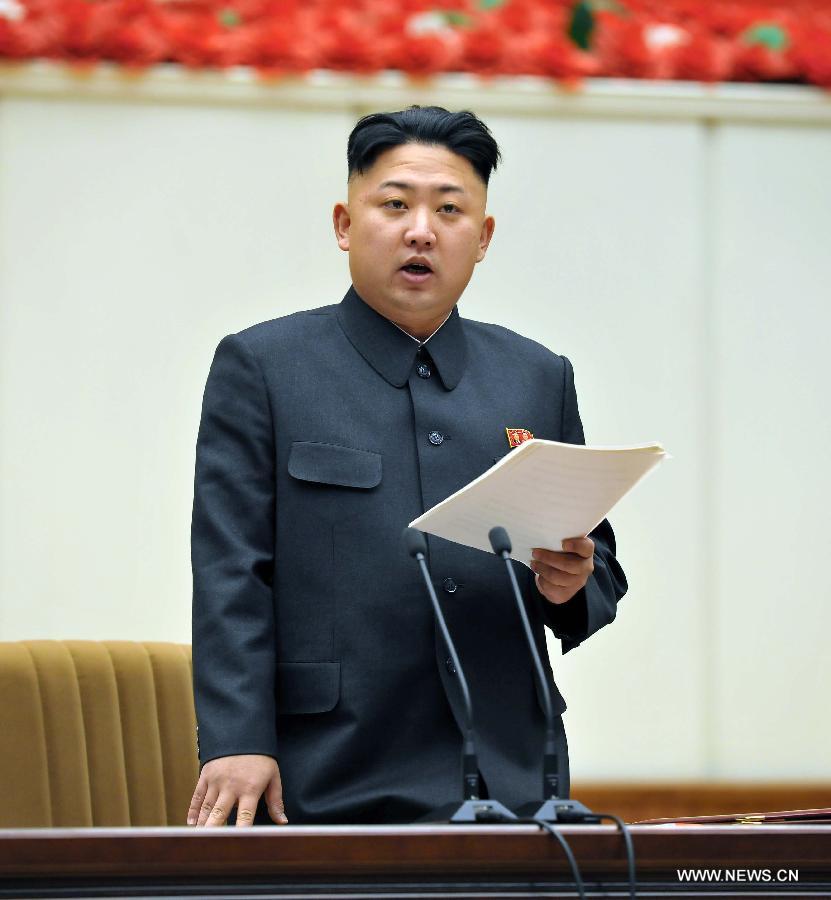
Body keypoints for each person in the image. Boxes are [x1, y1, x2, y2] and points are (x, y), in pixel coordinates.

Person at [188, 106, 627, 827]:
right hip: (326, 770)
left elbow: (595, 562)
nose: (420, 230)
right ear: (343, 224)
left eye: (449, 210)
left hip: (509, 776)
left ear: (481, 238)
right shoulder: (264, 367)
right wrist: (237, 740)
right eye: (394, 205)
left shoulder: (535, 376)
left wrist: (574, 581)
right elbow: (231, 568)